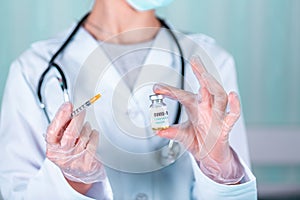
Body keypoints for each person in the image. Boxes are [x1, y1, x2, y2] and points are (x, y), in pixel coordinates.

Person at [0, 0, 257, 199]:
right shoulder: (33, 69)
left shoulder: (211, 60)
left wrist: (221, 172)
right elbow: (16, 193)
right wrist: (74, 181)